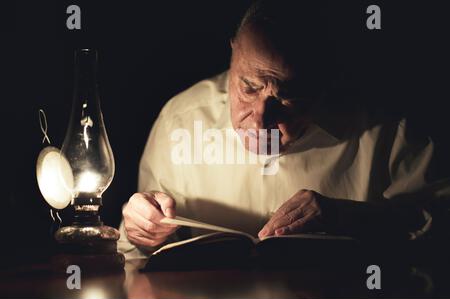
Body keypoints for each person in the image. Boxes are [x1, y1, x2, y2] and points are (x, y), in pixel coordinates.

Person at [118, 0, 448, 259]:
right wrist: (142, 231)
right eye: (248, 87)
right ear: (233, 52)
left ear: (325, 82)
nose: (260, 120)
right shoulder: (182, 119)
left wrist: (347, 217)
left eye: (287, 97)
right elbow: (136, 255)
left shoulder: (388, 126)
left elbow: (440, 229)